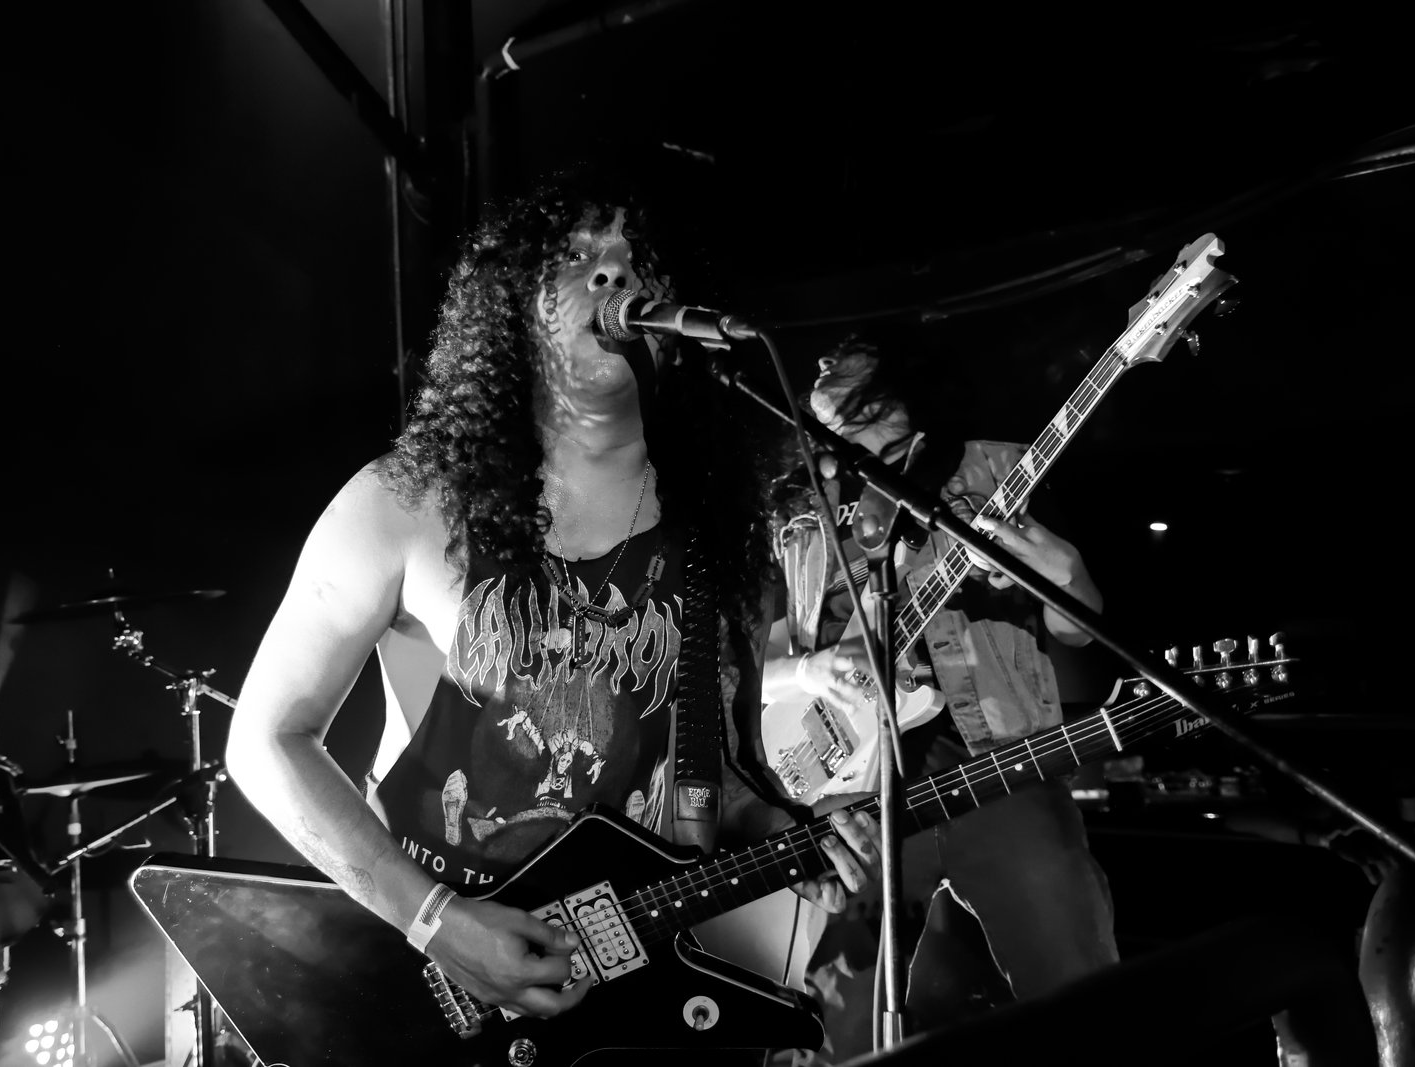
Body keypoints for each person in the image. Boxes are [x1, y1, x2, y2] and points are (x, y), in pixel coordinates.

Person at [225, 171, 880, 1044]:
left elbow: (709, 774)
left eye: (638, 258)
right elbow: (265, 740)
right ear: (513, 305)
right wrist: (435, 921)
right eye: (575, 255)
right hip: (428, 997)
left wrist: (787, 831)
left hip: (630, 1002)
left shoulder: (720, 534)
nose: (613, 272)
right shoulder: (409, 501)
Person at [760, 336, 1118, 1058]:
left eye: (846, 355)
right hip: (850, 796)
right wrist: (812, 670)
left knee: (1078, 994)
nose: (822, 362)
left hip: (1004, 769)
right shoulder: (795, 510)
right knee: (836, 1019)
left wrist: (1069, 576)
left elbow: (1076, 632)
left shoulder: (998, 468)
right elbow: (753, 669)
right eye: (820, 364)